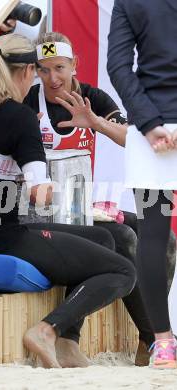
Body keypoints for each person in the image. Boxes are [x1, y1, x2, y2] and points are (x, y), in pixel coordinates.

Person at [0, 33, 136, 368]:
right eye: (38, 73)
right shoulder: (18, 117)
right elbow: (40, 191)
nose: (44, 80)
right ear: (23, 74)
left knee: (104, 237)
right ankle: (47, 330)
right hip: (4, 240)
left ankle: (67, 342)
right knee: (122, 271)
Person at [23, 31, 175, 367]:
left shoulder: (93, 97)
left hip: (79, 207)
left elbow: (133, 141)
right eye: (44, 70)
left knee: (164, 238)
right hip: (41, 212)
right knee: (121, 237)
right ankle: (152, 340)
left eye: (60, 67)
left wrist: (96, 123)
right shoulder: (28, 102)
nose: (53, 78)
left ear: (75, 65)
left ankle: (149, 340)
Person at [107, 0, 177, 369]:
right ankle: (163, 341)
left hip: (151, 133)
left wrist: (149, 123)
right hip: (154, 132)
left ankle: (162, 343)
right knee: (152, 235)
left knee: (152, 234)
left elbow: (118, 67)